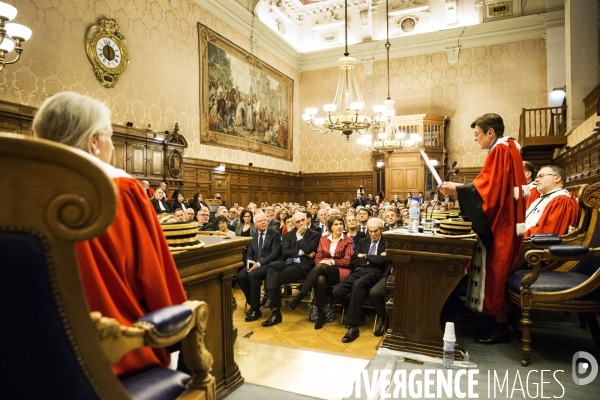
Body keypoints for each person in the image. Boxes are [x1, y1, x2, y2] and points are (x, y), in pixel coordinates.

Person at [32, 91, 187, 376]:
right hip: (113, 356)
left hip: (28, 358)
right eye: (110, 137)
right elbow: (154, 280)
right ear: (94, 142)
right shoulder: (120, 190)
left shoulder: (18, 190)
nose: (112, 147)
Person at [440, 113, 527, 345]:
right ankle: (493, 320)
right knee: (493, 273)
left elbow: (489, 189)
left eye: (477, 134)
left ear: (490, 132)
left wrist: (457, 188)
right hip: (504, 220)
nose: (475, 139)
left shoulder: (500, 149)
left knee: (496, 274)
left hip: (501, 223)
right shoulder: (507, 148)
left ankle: (499, 327)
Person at [287, 215, 354, 329]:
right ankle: (321, 314)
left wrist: (331, 261)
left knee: (321, 266)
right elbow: (317, 258)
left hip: (340, 271)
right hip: (323, 270)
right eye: (336, 224)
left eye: (341, 224)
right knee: (320, 280)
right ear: (330, 227)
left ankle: (300, 296)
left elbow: (347, 261)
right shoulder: (324, 239)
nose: (339, 226)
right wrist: (323, 262)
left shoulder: (348, 240)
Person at [261, 212, 321, 327]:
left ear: (307, 220)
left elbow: (309, 248)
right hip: (287, 262)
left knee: (274, 279)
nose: (301, 223)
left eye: (302, 220)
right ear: (293, 223)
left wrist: (299, 236)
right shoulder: (289, 235)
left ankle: (275, 310)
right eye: (297, 222)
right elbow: (285, 252)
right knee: (272, 266)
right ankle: (271, 301)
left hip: (301, 267)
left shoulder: (315, 234)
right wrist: (302, 252)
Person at [333, 218, 388, 343]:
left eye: (376, 231)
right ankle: (359, 315)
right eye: (370, 231)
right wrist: (373, 258)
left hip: (375, 272)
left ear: (381, 230)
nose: (373, 234)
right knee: (337, 291)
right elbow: (353, 259)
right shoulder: (363, 241)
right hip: (360, 270)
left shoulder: (387, 242)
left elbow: (383, 261)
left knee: (358, 285)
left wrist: (366, 256)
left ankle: (353, 327)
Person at [236, 213, 282, 322]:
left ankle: (255, 309)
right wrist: (249, 264)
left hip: (268, 264)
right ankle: (253, 302)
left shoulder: (275, 234)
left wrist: (259, 264)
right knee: (240, 277)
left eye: (265, 220)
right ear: (255, 224)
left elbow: (274, 254)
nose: (263, 222)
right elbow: (250, 253)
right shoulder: (253, 235)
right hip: (254, 264)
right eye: (260, 221)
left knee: (253, 274)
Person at [525, 165, 579, 238]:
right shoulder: (543, 199)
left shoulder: (561, 200)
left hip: (536, 246)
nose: (537, 180)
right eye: (537, 177)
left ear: (557, 178)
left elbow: (546, 234)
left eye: (541, 176)